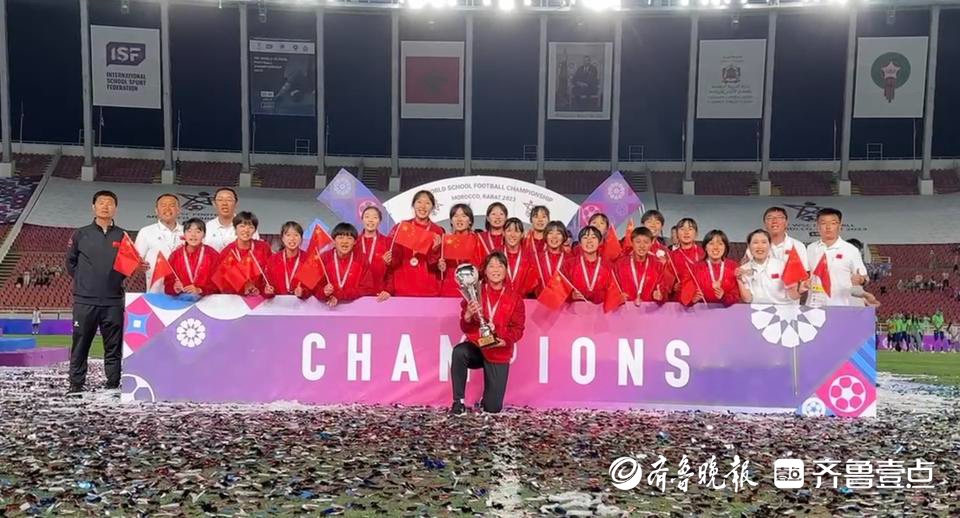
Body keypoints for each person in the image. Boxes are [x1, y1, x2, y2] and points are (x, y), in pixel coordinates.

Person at [66, 190, 148, 394]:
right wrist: (86, 283)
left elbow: (129, 265)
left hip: (113, 300)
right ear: (93, 207)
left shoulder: (123, 235)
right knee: (81, 343)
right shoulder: (80, 234)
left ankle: (113, 383)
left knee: (113, 346)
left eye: (109, 203)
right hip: (85, 300)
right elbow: (71, 264)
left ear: (115, 208)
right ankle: (76, 384)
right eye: (101, 202)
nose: (105, 206)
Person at [450, 252, 526, 415]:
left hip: (499, 351)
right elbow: (465, 327)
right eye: (491, 266)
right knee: (459, 352)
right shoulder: (475, 292)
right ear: (484, 270)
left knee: (493, 408)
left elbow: (518, 329)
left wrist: (504, 340)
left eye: (500, 265)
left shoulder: (515, 298)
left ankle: (486, 400)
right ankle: (458, 402)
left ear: (506, 270)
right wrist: (468, 315)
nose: (495, 269)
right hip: (478, 346)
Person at [387, 190, 444, 297]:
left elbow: (437, 268)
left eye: (427, 203)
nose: (423, 206)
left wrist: (435, 251)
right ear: (413, 204)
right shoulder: (402, 227)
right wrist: (388, 259)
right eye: (419, 202)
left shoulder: (437, 231)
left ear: (432, 207)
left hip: (427, 288)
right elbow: (393, 262)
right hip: (402, 286)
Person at [806, 208, 868, 307]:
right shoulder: (810, 248)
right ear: (817, 226)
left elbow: (865, 278)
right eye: (823, 223)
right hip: (815, 305)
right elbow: (805, 275)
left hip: (842, 306)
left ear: (840, 226)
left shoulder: (851, 250)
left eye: (833, 223)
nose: (828, 227)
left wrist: (861, 280)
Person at [319, 223, 385, 307]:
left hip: (355, 308)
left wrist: (340, 295)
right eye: (340, 237)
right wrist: (324, 292)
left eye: (349, 238)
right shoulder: (324, 258)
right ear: (334, 241)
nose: (345, 241)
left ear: (355, 242)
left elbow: (367, 288)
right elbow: (314, 287)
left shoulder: (362, 259)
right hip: (326, 308)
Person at [736, 229, 800, 305]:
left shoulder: (783, 266)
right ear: (749, 246)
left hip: (782, 308)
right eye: (755, 242)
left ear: (770, 245)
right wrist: (739, 280)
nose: (760, 246)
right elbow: (747, 299)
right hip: (757, 309)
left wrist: (800, 290)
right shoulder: (743, 269)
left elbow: (794, 296)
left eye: (764, 242)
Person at [135, 194, 184, 293]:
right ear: (156, 210)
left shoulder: (188, 232)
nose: (167, 208)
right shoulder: (146, 232)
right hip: (155, 290)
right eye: (163, 205)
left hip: (183, 289)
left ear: (179, 210)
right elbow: (136, 260)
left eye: (172, 205)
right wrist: (139, 266)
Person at [216, 211, 272, 296]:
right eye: (242, 226)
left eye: (251, 227)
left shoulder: (263, 248)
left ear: (255, 230)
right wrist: (242, 289)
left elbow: (270, 274)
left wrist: (266, 290)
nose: (246, 230)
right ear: (235, 229)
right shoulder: (227, 252)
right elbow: (222, 283)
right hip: (235, 299)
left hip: (261, 298)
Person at [165, 218, 220, 298]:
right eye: (189, 231)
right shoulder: (175, 256)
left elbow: (218, 283)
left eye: (198, 231)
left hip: (207, 302)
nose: (193, 235)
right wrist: (174, 288)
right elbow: (167, 284)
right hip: (181, 302)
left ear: (204, 235)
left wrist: (200, 290)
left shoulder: (213, 255)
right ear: (184, 234)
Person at [614, 227, 669, 305]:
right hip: (626, 310)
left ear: (651, 243)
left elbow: (664, 290)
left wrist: (661, 296)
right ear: (632, 242)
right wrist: (617, 297)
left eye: (646, 242)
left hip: (650, 310)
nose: (642, 246)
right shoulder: (620, 264)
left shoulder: (658, 265)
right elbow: (613, 288)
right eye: (638, 242)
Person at [686, 229, 739, 306]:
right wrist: (692, 299)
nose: (715, 247)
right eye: (711, 243)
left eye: (720, 244)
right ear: (705, 247)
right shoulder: (695, 268)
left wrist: (724, 297)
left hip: (727, 312)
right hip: (701, 312)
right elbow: (685, 296)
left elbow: (736, 296)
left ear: (725, 247)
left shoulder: (733, 266)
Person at [439, 204, 482, 298]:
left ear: (470, 221)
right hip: (450, 288)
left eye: (463, 216)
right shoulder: (446, 241)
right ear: (451, 221)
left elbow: (481, 265)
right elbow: (440, 270)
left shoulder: (478, 240)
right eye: (455, 216)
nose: (459, 219)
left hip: (472, 289)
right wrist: (441, 267)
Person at [562, 226, 613, 304]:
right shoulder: (568, 265)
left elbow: (613, 293)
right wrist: (570, 296)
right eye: (585, 238)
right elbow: (560, 292)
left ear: (599, 242)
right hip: (575, 310)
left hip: (601, 310)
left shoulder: (609, 266)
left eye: (593, 237)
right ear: (580, 243)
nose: (589, 241)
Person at [204, 187, 260, 252]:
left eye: (229, 200)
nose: (224, 203)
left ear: (236, 203)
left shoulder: (248, 226)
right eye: (220, 200)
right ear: (214, 204)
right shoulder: (207, 227)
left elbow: (256, 249)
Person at [264, 222, 309, 298]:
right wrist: (268, 291)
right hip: (278, 304)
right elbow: (266, 285)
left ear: (301, 238)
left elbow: (313, 288)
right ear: (282, 238)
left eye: (296, 235)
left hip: (301, 304)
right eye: (288, 235)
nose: (292, 238)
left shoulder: (308, 259)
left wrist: (303, 292)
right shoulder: (273, 259)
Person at [756, 207, 809, 271]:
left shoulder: (798, 246)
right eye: (769, 218)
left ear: (786, 223)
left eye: (779, 217)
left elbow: (804, 272)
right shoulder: (755, 246)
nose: (774, 221)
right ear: (765, 224)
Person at [357, 206, 391, 296]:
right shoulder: (354, 242)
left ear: (379, 221)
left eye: (375, 217)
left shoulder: (387, 242)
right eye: (367, 217)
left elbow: (392, 271)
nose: (370, 220)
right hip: (357, 294)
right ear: (362, 219)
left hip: (380, 294)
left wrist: (388, 290)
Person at [502, 218, 538, 298]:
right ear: (503, 233)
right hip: (500, 301)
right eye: (509, 231)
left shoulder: (529, 256)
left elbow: (532, 284)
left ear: (522, 234)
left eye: (517, 231)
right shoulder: (497, 254)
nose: (512, 235)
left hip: (523, 301)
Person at [669, 218, 704, 300]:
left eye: (690, 229)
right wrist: (673, 287)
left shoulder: (704, 254)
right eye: (682, 229)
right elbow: (667, 282)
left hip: (702, 298)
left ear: (696, 234)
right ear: (677, 234)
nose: (686, 232)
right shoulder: (671, 256)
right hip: (680, 300)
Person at [534, 221, 569, 292]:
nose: (554, 237)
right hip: (539, 298)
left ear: (564, 237)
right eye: (550, 233)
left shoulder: (570, 259)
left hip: (563, 298)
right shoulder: (537, 258)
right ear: (545, 236)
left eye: (558, 233)